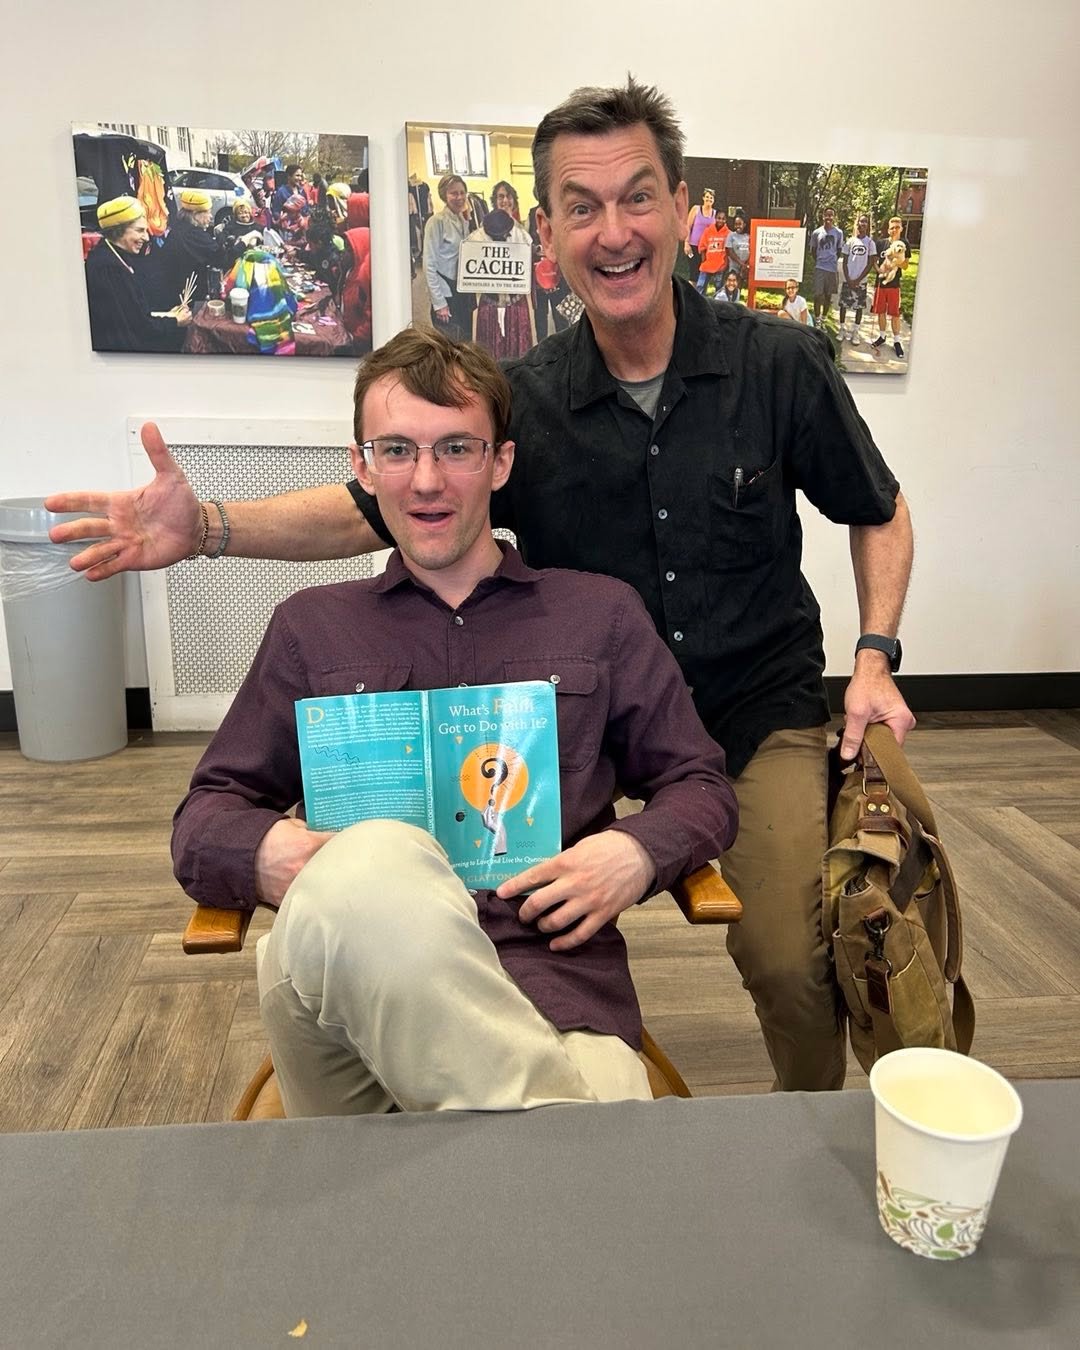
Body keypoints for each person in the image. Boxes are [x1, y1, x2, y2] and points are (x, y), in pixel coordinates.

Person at [49, 77, 914, 1094]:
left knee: (786, 960)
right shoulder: (530, 401)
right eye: (582, 207)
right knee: (398, 892)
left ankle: (795, 1140)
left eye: (638, 197)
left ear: (682, 206)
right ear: (547, 232)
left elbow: (878, 508)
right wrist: (208, 529)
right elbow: (381, 505)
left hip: (746, 706)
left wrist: (875, 658)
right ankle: (554, 1119)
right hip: (572, 714)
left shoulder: (782, 365)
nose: (615, 230)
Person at [171, 326, 738, 1116]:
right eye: (396, 450)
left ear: (499, 463)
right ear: (361, 467)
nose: (426, 481)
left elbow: (700, 785)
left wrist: (635, 853)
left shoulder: (598, 615)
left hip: (556, 990)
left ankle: (537, 1143)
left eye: (457, 449)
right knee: (374, 866)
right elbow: (201, 821)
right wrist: (269, 853)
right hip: (352, 1015)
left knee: (580, 1190)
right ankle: (554, 1139)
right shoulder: (310, 628)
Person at [83, 195, 191, 352]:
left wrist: (168, 315)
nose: (146, 237)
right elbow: (140, 327)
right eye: (140, 230)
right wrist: (175, 321)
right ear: (118, 230)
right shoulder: (109, 269)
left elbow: (133, 312)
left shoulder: (110, 254)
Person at [143, 188, 228, 314]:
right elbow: (222, 259)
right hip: (177, 298)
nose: (211, 217)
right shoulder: (192, 235)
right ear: (195, 214)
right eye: (208, 212)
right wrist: (243, 242)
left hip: (169, 289)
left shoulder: (179, 226)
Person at [468, 207, 535, 360]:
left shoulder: (520, 236)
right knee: (488, 353)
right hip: (489, 305)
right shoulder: (476, 239)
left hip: (516, 304)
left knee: (519, 352)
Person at [423, 173, 475, 341]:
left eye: (462, 192)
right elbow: (429, 264)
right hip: (446, 292)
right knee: (450, 346)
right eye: (453, 193)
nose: (459, 197)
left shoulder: (462, 219)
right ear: (444, 195)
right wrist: (439, 303)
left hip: (461, 290)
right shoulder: (436, 221)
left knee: (465, 342)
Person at [871, 216, 909, 359]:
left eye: (897, 227)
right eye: (892, 227)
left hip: (894, 284)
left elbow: (905, 266)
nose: (894, 230)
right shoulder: (881, 243)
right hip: (880, 283)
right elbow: (874, 261)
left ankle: (897, 341)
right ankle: (882, 336)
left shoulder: (904, 244)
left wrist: (897, 260)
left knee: (894, 313)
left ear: (901, 229)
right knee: (880, 311)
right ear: (888, 229)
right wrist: (879, 270)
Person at [838, 213, 876, 344]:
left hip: (861, 282)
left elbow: (870, 263)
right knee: (843, 305)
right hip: (848, 280)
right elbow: (844, 261)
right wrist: (848, 279)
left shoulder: (870, 243)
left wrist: (859, 279)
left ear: (868, 225)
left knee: (859, 307)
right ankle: (842, 329)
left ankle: (855, 331)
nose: (863, 224)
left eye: (865, 222)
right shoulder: (850, 241)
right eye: (861, 221)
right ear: (857, 224)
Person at [808, 205, 843, 330]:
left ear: (834, 217)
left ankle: (823, 320)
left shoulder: (839, 233)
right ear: (823, 216)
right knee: (818, 295)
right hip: (820, 268)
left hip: (832, 269)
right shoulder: (816, 232)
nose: (828, 217)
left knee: (828, 296)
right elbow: (813, 250)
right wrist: (820, 260)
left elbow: (839, 250)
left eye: (831, 215)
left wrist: (832, 260)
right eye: (826, 214)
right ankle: (817, 321)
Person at [683, 188, 718, 287]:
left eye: (711, 198)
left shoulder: (715, 213)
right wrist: (686, 243)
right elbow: (688, 226)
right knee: (694, 272)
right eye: (707, 197)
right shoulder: (696, 209)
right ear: (703, 198)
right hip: (693, 246)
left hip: (706, 249)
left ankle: (701, 294)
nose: (709, 199)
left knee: (703, 273)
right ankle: (690, 294)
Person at [694, 212, 730, 297]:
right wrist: (704, 261)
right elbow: (702, 247)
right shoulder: (708, 231)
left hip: (720, 265)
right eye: (718, 218)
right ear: (715, 218)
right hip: (707, 264)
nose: (720, 220)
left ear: (726, 220)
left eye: (723, 218)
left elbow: (729, 251)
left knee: (718, 289)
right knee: (700, 286)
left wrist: (725, 265)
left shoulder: (728, 233)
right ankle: (699, 305)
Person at [724, 212, 750, 288]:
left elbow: (752, 251)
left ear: (744, 224)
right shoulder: (731, 235)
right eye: (736, 224)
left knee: (740, 285)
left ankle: (737, 298)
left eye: (740, 224)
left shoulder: (748, 236)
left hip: (745, 266)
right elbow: (730, 252)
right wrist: (741, 263)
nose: (737, 226)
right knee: (733, 284)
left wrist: (745, 265)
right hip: (734, 265)